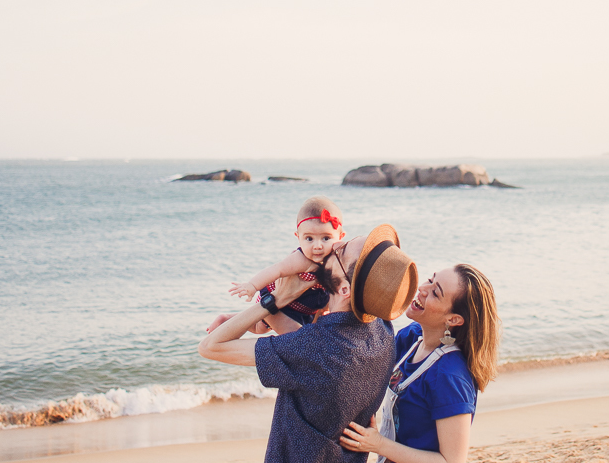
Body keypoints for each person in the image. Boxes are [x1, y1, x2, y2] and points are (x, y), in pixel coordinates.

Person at [199, 225, 418, 463]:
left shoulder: (316, 347)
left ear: (345, 289)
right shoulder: (382, 332)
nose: (332, 245)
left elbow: (211, 346)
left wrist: (274, 300)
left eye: (341, 250)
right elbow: (308, 349)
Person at [340, 264, 500, 463]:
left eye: (435, 293)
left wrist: (379, 444)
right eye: (431, 280)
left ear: (453, 319)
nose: (422, 289)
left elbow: (452, 460)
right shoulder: (412, 336)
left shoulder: (449, 377)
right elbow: (367, 363)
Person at [215, 196, 346, 333]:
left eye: (326, 238)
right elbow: (276, 270)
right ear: (298, 237)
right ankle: (226, 323)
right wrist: (252, 286)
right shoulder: (301, 259)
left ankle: (227, 319)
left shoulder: (338, 259)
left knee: (260, 329)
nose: (317, 246)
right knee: (298, 342)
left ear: (340, 237)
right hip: (279, 304)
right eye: (309, 239)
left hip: (306, 309)